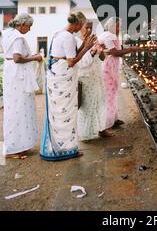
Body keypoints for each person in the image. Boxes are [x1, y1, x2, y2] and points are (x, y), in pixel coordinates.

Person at [40, 12, 96, 161]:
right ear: (77, 24)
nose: (82, 28)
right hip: (63, 76)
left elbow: (69, 55)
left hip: (56, 73)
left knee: (58, 112)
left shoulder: (59, 33)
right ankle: (66, 148)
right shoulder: (68, 37)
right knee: (67, 111)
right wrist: (87, 48)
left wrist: (84, 44)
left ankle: (59, 147)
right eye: (82, 25)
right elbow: (71, 61)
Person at [2, 13, 43, 159]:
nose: (30, 29)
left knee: (13, 109)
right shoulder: (18, 37)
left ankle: (15, 144)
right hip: (18, 75)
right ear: (22, 24)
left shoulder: (7, 34)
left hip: (10, 73)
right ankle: (14, 148)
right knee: (20, 109)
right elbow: (17, 58)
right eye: (29, 26)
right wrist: (35, 57)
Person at [97, 17, 139, 132]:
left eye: (119, 26)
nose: (119, 28)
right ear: (111, 26)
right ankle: (107, 123)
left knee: (113, 92)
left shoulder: (111, 36)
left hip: (112, 68)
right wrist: (131, 50)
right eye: (117, 26)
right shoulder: (106, 36)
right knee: (109, 94)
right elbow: (115, 52)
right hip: (107, 68)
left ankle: (113, 119)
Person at [75, 20, 110, 140]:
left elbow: (102, 58)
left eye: (91, 27)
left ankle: (102, 128)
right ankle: (85, 133)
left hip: (96, 76)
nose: (89, 30)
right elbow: (80, 63)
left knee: (100, 102)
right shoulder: (76, 42)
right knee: (87, 106)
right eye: (87, 27)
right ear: (80, 28)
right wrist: (92, 51)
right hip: (85, 77)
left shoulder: (94, 40)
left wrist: (100, 51)